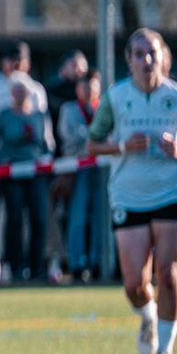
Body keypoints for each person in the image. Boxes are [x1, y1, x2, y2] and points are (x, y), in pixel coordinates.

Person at [87, 28, 177, 354]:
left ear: (163, 56)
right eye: (138, 54)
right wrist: (123, 146)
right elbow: (93, 146)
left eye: (151, 52)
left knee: (168, 274)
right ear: (129, 61)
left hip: (170, 192)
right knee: (134, 284)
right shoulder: (115, 97)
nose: (146, 60)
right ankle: (147, 315)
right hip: (129, 195)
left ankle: (165, 352)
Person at [0, 41, 48, 285]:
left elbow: (43, 133)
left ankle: (31, 266)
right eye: (11, 58)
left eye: (20, 59)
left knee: (31, 215)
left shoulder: (36, 89)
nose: (15, 64)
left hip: (29, 165)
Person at [0, 75, 51, 284]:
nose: (20, 94)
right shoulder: (5, 115)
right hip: (12, 173)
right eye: (17, 90)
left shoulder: (39, 115)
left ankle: (37, 266)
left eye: (24, 90)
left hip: (35, 173)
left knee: (38, 218)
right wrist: (1, 158)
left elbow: (47, 144)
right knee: (14, 219)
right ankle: (16, 266)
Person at [59, 69, 104, 280]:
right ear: (78, 89)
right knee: (77, 216)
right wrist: (97, 142)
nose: (88, 90)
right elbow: (72, 138)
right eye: (84, 86)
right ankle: (76, 263)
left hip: (101, 168)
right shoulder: (69, 109)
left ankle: (97, 261)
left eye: (92, 86)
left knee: (99, 216)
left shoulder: (103, 108)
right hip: (77, 169)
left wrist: (95, 142)